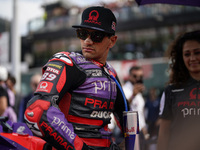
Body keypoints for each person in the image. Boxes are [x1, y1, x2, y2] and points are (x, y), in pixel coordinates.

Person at [24, 6, 128, 150]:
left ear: (112, 41)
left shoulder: (112, 74)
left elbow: (128, 119)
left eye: (96, 35)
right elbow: (37, 110)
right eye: (82, 33)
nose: (87, 41)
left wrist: (128, 144)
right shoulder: (66, 63)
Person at [157, 30, 200, 150]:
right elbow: (163, 134)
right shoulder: (172, 91)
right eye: (187, 54)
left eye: (197, 52)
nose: (192, 58)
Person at [122, 66, 149, 150]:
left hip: (141, 131)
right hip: (130, 130)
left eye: (140, 76)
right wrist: (133, 95)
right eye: (135, 76)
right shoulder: (125, 89)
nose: (138, 78)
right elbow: (123, 107)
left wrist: (145, 131)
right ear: (129, 76)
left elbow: (140, 112)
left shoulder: (139, 91)